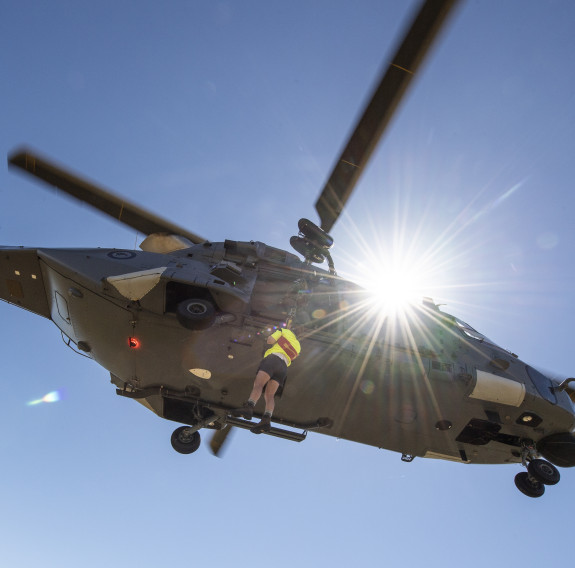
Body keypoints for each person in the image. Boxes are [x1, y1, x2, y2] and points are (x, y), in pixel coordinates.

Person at [231, 326, 301, 433]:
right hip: (283, 368)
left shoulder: (284, 331)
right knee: (270, 395)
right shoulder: (298, 346)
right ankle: (266, 420)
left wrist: (272, 335)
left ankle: (249, 407)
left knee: (258, 385)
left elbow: (270, 340)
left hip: (273, 359)